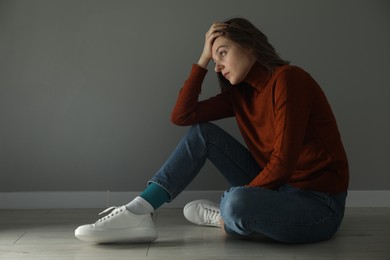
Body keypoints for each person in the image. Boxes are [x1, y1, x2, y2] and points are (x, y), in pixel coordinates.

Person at [75, 18, 349, 244]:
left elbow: (283, 165)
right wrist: (203, 58)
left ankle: (226, 215)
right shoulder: (240, 95)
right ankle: (139, 211)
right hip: (277, 189)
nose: (218, 65)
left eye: (223, 53)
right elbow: (182, 116)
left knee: (237, 203)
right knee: (202, 133)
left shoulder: (289, 80)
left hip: (318, 204)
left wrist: (239, 198)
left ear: (250, 45)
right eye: (214, 57)